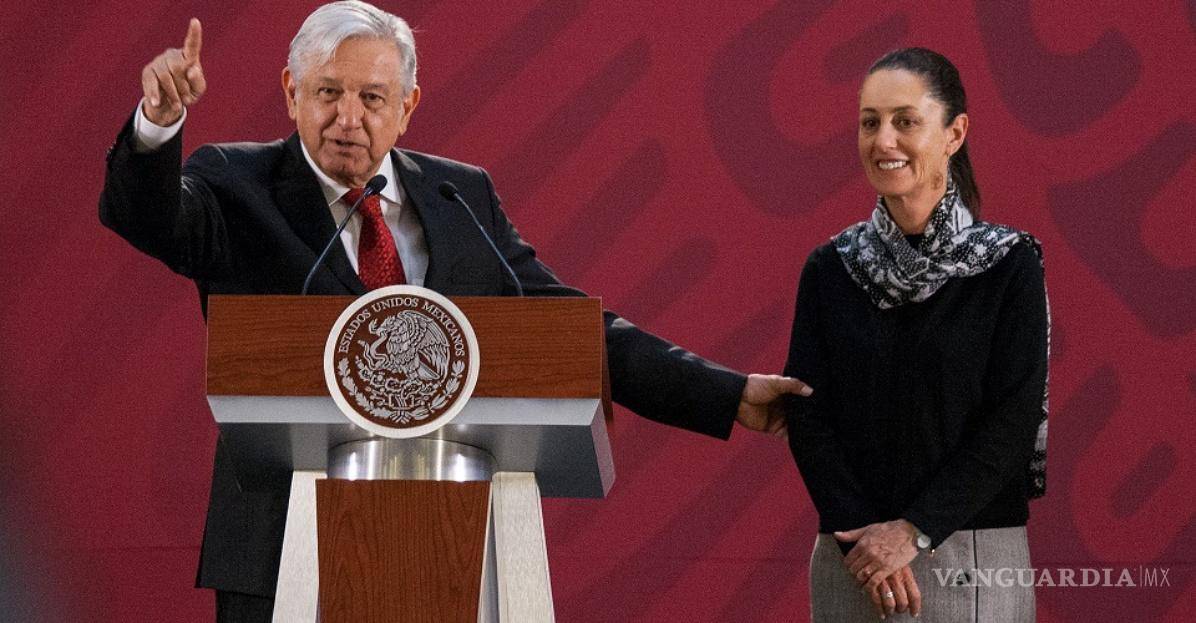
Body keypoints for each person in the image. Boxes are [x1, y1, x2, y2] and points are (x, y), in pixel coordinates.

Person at [98, 2, 809, 620]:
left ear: (408, 105)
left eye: (373, 98)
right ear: (291, 92)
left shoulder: (459, 196)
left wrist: (728, 392)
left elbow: (569, 329)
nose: (348, 119)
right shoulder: (235, 182)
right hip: (284, 545)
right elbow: (152, 219)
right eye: (328, 93)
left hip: (451, 536)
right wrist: (158, 126)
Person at [784, 47, 1048, 622]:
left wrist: (913, 531)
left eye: (906, 121)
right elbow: (807, 412)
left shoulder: (1007, 264)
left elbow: (1013, 419)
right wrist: (862, 540)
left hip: (971, 553)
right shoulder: (831, 268)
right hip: (851, 558)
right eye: (870, 121)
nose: (884, 141)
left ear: (955, 133)